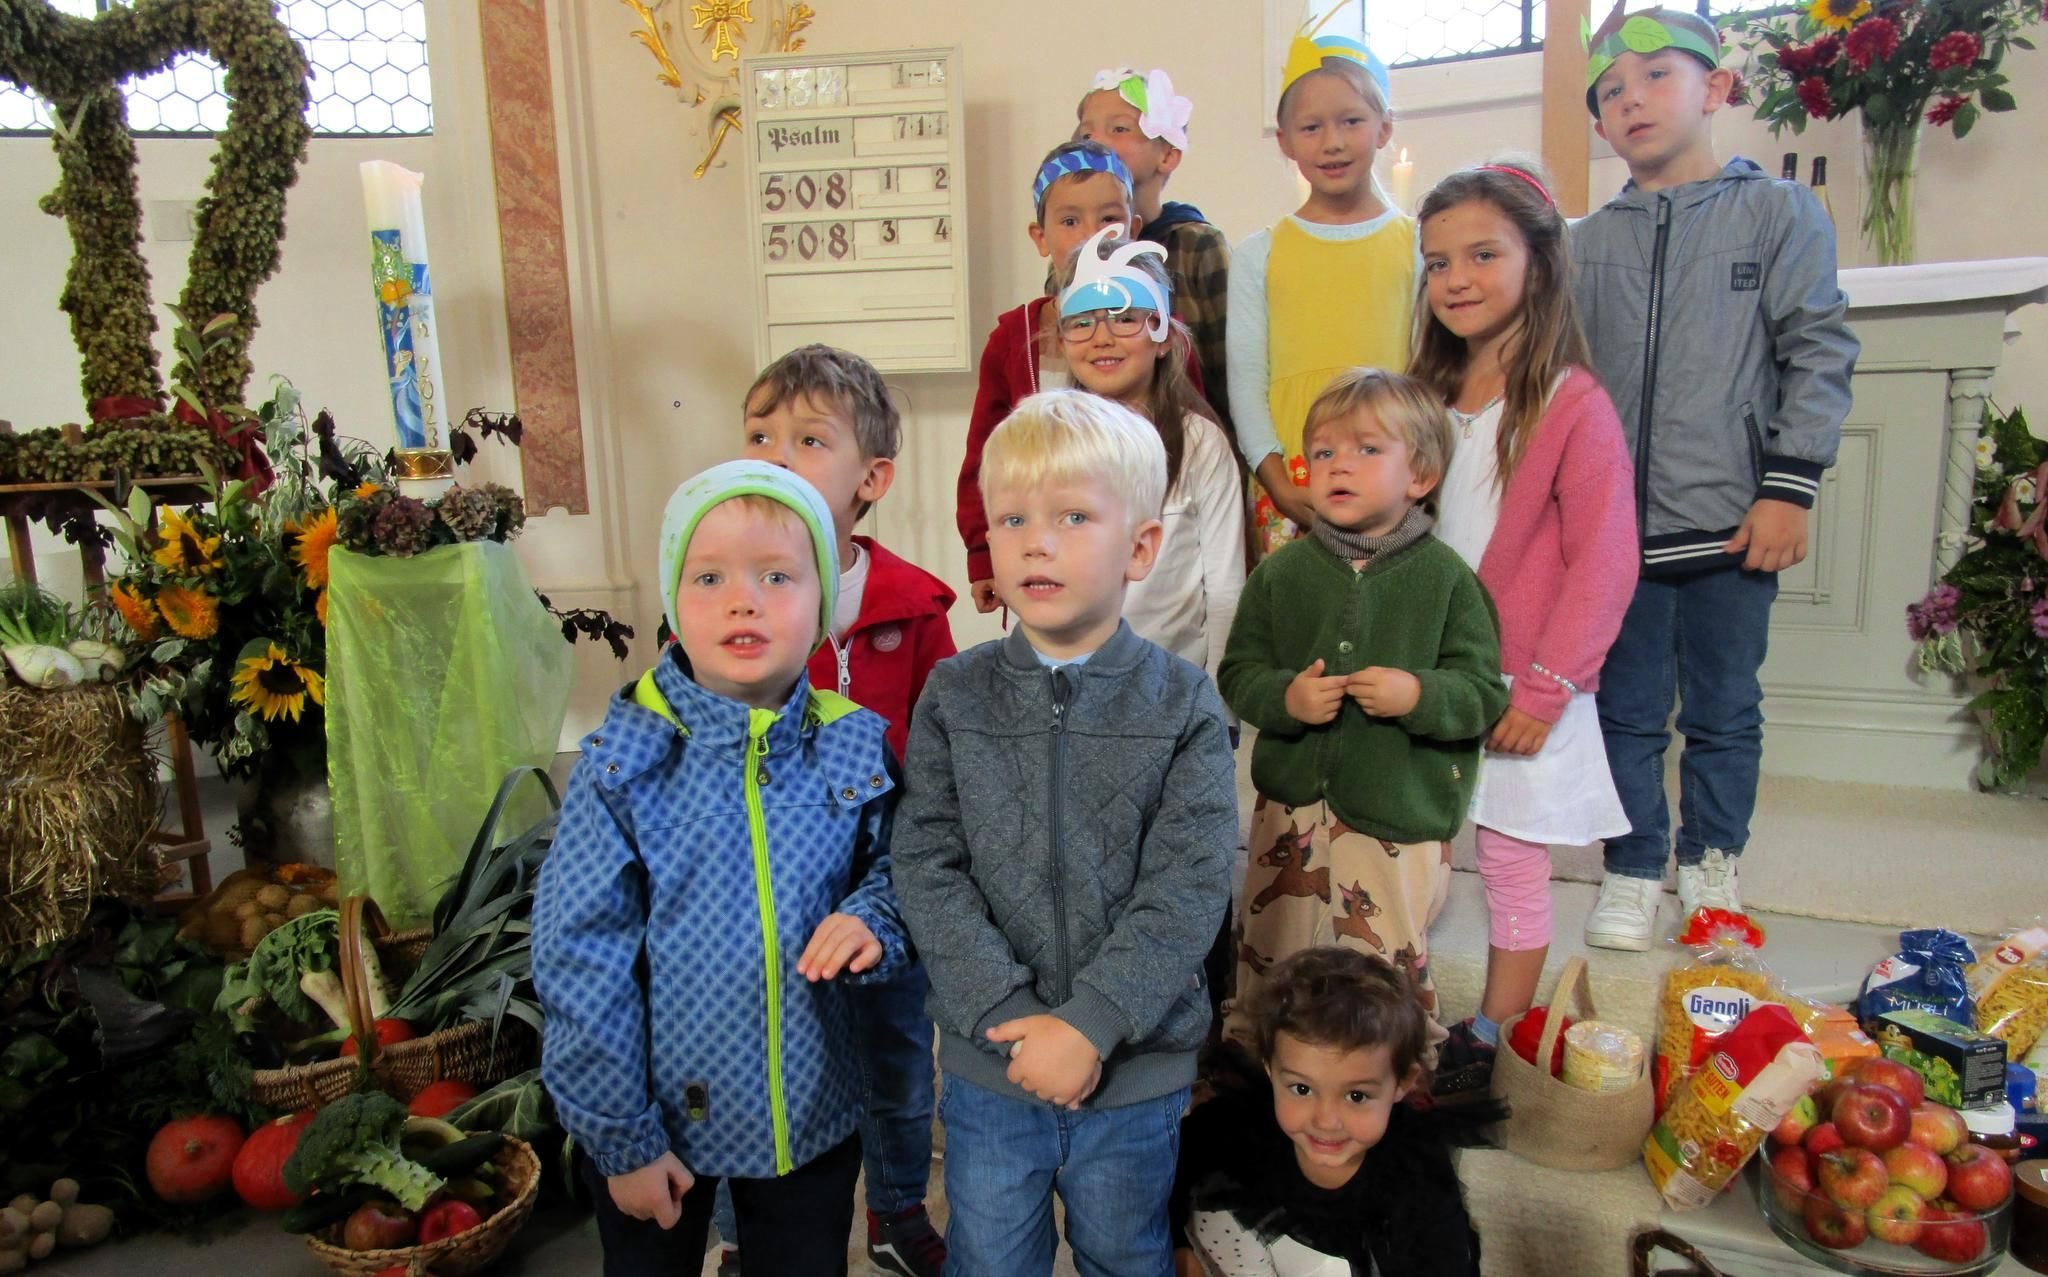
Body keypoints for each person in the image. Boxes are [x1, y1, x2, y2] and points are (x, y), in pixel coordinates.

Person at [533, 461, 907, 1277]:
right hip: (657, 1122)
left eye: (777, 575)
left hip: (810, 1112)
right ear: (673, 603)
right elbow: (579, 962)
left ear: (821, 603)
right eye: (709, 578)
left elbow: (902, 870)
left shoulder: (854, 743)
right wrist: (622, 1138)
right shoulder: (624, 763)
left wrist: (873, 918)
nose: (744, 601)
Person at [894, 390, 1238, 1277]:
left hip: (1132, 1069)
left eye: (1072, 517)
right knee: (989, 1259)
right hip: (992, 1067)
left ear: (1141, 548)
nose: (1035, 542)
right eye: (1012, 519)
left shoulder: (1183, 701)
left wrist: (1090, 1025)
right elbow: (927, 864)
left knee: (1125, 1255)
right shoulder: (954, 694)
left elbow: (1190, 884)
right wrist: (1007, 1019)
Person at [1572, 2, 1858, 950]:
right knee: (1625, 710)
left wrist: (1789, 484)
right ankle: (1632, 864)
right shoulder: (1584, 243)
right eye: (1612, 91)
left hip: (1734, 518)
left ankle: (1711, 864)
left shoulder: (1777, 213)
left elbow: (1816, 349)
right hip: (1618, 533)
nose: (1633, 99)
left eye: (1657, 76)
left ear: (1717, 88)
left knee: (1725, 708)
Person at [1410, 159, 1639, 1094]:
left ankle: (1493, 1031)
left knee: (1508, 858)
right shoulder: (1421, 393)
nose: (1456, 278)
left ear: (1538, 263)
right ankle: (1402, 1001)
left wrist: (1546, 690)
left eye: (1482, 255)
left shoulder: (1572, 404)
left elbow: (1604, 560)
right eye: (1437, 263)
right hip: (1427, 675)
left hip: (1522, 676)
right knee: (1413, 847)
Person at [730, 345, 955, 1276]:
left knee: (896, 1057)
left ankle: (895, 1208)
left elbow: (942, 751)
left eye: (809, 440)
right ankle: (744, 1234)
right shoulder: (716, 590)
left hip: (885, 886)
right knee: (751, 1061)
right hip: (764, 891)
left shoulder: (913, 608)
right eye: (759, 436)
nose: (777, 456)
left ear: (873, 479)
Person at [1218, 370, 1506, 1058]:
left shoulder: (1449, 580)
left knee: (1385, 958)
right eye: (1322, 452)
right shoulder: (1280, 574)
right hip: (1290, 812)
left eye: (1366, 450)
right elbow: (1238, 673)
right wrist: (1285, 699)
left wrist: (1419, 695)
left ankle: (1397, 1069)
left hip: (1396, 818)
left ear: (1421, 475)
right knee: (1270, 949)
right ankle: (1252, 1063)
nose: (1338, 465)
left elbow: (1482, 693)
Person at [1172, 947, 1493, 1277]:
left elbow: (1447, 1262)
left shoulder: (1417, 1173)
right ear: (1271, 1069)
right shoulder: (1234, 1127)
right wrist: (1180, 1252)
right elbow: (1165, 1181)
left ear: (1402, 1082)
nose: (1325, 1121)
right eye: (1302, 1089)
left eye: (1356, 1096)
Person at [1228, 8, 1417, 557]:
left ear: (1384, 128)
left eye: (1351, 121)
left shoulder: (1417, 244)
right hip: (1294, 484)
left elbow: (1429, 372)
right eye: (1311, 128)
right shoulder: (1260, 254)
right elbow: (1247, 382)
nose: (1332, 142)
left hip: (1395, 484)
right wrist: (1275, 479)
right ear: (1285, 141)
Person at [1054, 226, 1244, 688]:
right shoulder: (1047, 442)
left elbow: (1224, 587)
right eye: (1082, 321)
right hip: (1072, 687)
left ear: (1163, 336)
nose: (1102, 338)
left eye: (1124, 319)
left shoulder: (1199, 443)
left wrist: (1220, 701)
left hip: (1174, 687)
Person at [1075, 66, 1236, 445]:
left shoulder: (1197, 245)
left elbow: (1227, 369)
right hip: (1098, 446)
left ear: (1168, 155)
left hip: (1190, 443)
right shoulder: (1077, 253)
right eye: (1087, 134)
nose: (1098, 144)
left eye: (1119, 129)